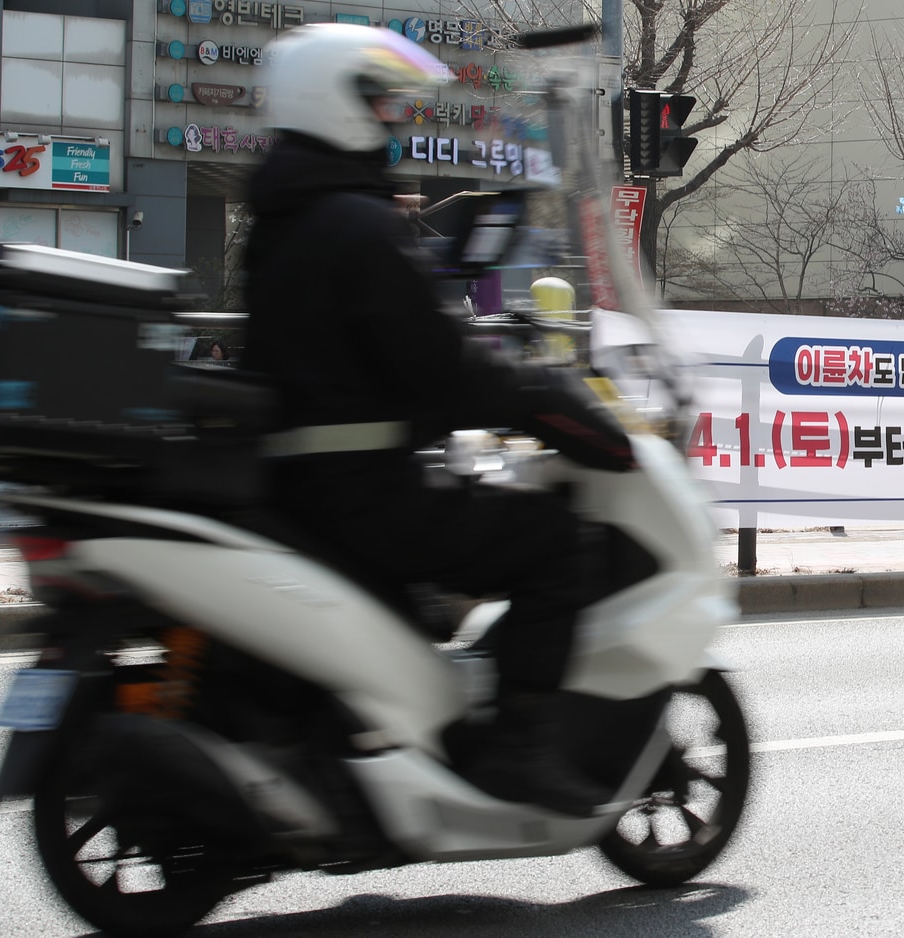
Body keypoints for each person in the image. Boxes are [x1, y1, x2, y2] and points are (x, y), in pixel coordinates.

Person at [241, 24, 636, 817]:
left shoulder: (280, 221)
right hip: (367, 494)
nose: (393, 119)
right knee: (557, 543)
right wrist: (551, 403)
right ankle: (520, 751)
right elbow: (445, 367)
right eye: (381, 102)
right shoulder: (359, 225)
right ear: (339, 105)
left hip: (300, 486)